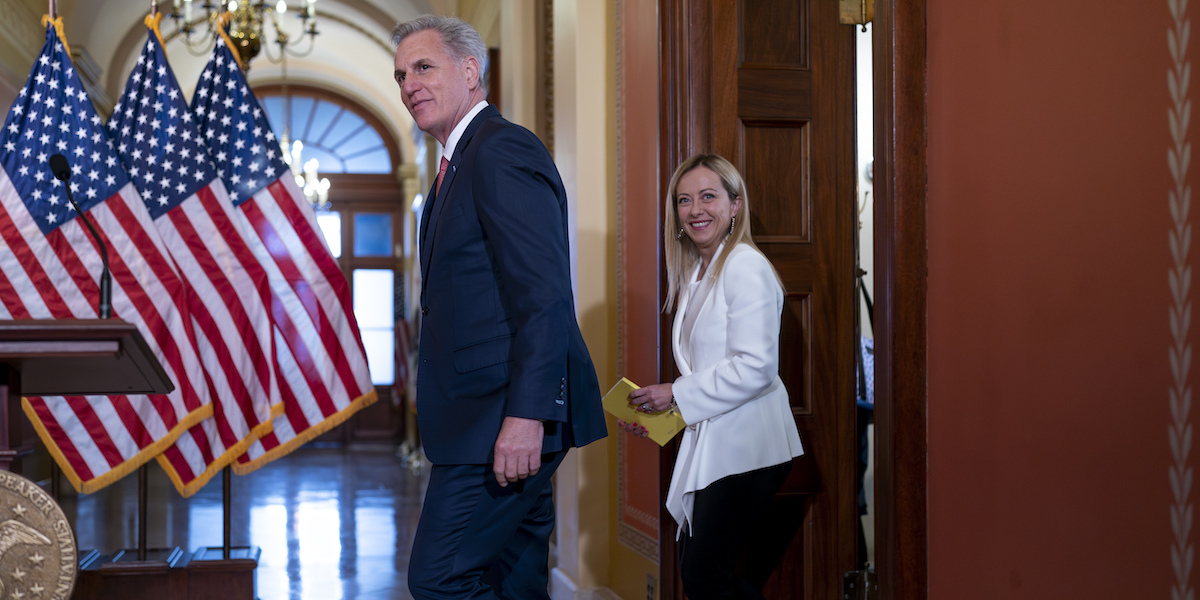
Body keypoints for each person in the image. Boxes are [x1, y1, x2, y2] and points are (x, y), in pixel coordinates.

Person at [392, 15, 607, 600]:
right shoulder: (454, 168)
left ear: (470, 70)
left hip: (501, 423)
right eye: (401, 74)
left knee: (439, 579)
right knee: (512, 582)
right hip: (480, 420)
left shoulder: (500, 149)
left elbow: (543, 296)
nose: (409, 84)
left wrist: (526, 416)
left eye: (423, 66)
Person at [625, 154, 805, 600]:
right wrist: (660, 415)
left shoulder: (745, 264)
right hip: (718, 441)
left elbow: (756, 367)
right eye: (684, 200)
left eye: (709, 196)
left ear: (735, 205)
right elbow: (708, 371)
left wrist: (676, 393)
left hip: (752, 445)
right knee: (700, 570)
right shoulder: (694, 272)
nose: (695, 209)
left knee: (705, 574)